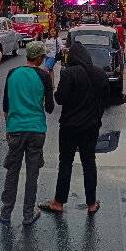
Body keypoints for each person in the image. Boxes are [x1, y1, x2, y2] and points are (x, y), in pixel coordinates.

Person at [39, 42, 109, 215]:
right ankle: (92, 203)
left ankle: (59, 202)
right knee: (89, 162)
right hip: (91, 126)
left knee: (65, 162)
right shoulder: (100, 74)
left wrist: (56, 91)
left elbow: (60, 99)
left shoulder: (69, 73)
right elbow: (105, 99)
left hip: (70, 126)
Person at [0, 41, 54, 227]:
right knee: (32, 173)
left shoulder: (13, 73)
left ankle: (6, 211)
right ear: (38, 58)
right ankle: (28, 214)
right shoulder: (44, 76)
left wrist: (8, 128)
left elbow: (6, 106)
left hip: (15, 128)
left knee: (12, 170)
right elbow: (50, 108)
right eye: (43, 57)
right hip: (36, 129)